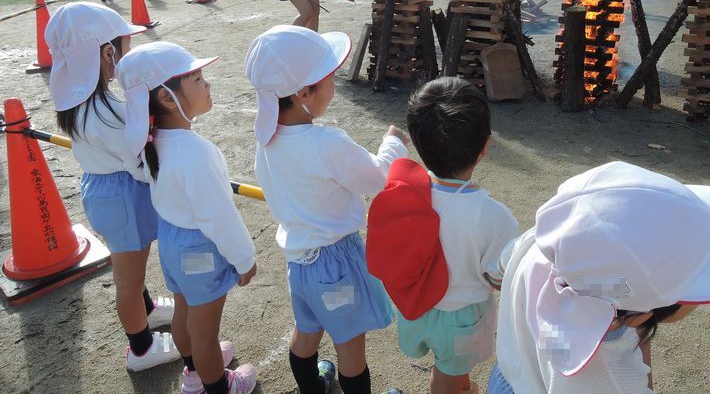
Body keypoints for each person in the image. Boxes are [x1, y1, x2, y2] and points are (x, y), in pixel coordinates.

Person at [487, 161, 710, 394]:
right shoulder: (614, 380)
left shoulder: (542, 244)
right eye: (699, 292)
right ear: (638, 317)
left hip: (510, 377)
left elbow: (498, 271)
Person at [245, 25, 408, 394]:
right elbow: (377, 177)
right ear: (304, 93)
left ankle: (312, 388)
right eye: (330, 77)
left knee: (306, 333)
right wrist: (393, 143)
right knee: (350, 348)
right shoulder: (326, 143)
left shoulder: (266, 139)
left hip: (299, 262)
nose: (335, 82)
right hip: (336, 265)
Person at [116, 41, 258, 394]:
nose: (207, 84)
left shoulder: (150, 141)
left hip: (172, 241)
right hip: (199, 248)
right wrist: (244, 259)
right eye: (197, 79)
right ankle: (217, 386)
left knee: (184, 312)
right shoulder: (196, 152)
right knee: (204, 333)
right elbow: (218, 217)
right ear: (167, 98)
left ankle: (194, 372)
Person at [44, 2, 179, 373]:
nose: (129, 51)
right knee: (128, 279)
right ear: (107, 55)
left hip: (106, 190)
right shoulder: (109, 113)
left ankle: (147, 310)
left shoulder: (79, 101)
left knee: (130, 267)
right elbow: (140, 165)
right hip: (122, 197)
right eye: (125, 45)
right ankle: (142, 349)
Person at [367, 76, 519, 394]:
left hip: (415, 307)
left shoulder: (403, 192)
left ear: (419, 142)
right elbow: (498, 278)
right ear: (486, 146)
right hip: (462, 319)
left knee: (449, 372)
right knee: (449, 377)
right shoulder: (495, 216)